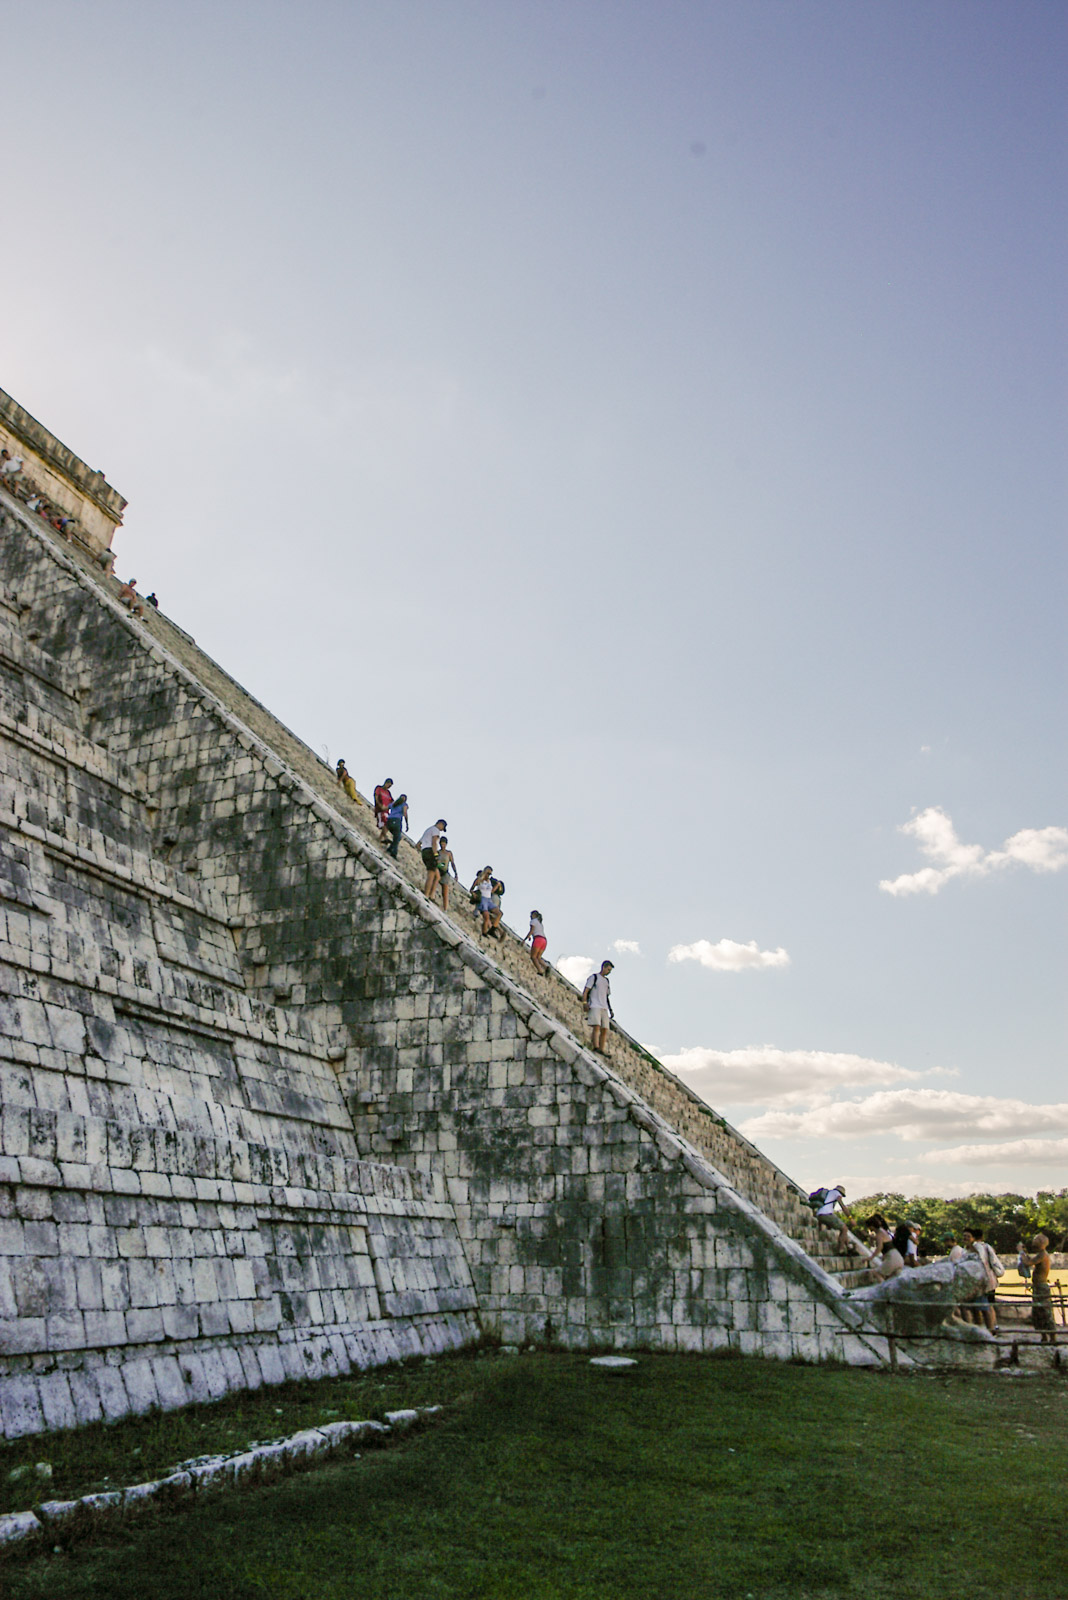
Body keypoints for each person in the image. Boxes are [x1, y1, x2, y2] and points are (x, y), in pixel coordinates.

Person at [961, 1227, 1000, 1332]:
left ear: (973, 1238)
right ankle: (980, 1329)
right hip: (971, 1283)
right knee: (976, 1309)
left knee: (984, 1307)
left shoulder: (979, 1248)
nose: (966, 1238)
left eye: (968, 1236)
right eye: (964, 1236)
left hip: (980, 1282)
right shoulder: (965, 1251)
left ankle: (990, 1329)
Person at [1023, 1234, 1055, 1345]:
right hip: (1037, 1286)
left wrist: (1021, 1252)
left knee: (1045, 1312)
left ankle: (1052, 1337)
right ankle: (1044, 1336)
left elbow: (1028, 1262)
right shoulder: (1040, 1255)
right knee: (1038, 1312)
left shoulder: (1042, 1255)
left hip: (1041, 1287)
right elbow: (1030, 1260)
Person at [582, 960, 614, 1054]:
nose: (608, 972)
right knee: (596, 1026)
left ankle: (601, 1048)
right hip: (595, 1005)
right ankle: (595, 1046)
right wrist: (584, 1002)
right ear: (603, 967)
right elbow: (586, 991)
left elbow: (606, 996)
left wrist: (610, 1009)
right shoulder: (594, 977)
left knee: (604, 1029)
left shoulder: (606, 981)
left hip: (604, 1007)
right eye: (608, 970)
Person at [814, 1185, 852, 1254]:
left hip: (819, 1215)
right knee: (844, 1229)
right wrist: (850, 1218)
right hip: (827, 1214)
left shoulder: (829, 1193)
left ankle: (849, 1247)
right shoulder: (837, 1193)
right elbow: (843, 1207)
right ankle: (841, 1250)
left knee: (843, 1230)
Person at [419, 820, 448, 896]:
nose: (441, 830)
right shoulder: (436, 830)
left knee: (437, 876)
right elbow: (434, 842)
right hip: (430, 851)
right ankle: (426, 894)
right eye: (442, 827)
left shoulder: (428, 830)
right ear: (440, 824)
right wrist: (435, 854)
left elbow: (419, 843)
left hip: (424, 851)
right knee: (431, 875)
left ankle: (431, 895)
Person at [434, 837, 458, 911]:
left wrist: (456, 873)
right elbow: (435, 862)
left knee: (445, 892)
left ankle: (445, 909)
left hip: (445, 872)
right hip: (438, 869)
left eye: (444, 844)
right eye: (441, 844)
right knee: (434, 884)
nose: (443, 845)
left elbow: (452, 863)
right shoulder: (438, 852)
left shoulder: (449, 853)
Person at [523, 910, 549, 975]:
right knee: (538, 957)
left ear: (534, 915)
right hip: (544, 940)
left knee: (533, 957)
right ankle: (546, 967)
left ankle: (540, 971)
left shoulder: (533, 921)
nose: (530, 916)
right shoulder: (540, 923)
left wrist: (525, 939)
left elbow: (532, 930)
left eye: (531, 915)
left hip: (538, 939)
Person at [385, 792, 408, 858]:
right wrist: (407, 824)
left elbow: (385, 808)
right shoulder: (404, 804)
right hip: (397, 820)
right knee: (397, 837)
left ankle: (390, 848)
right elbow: (405, 813)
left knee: (397, 837)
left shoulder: (393, 804)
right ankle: (393, 852)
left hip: (389, 820)